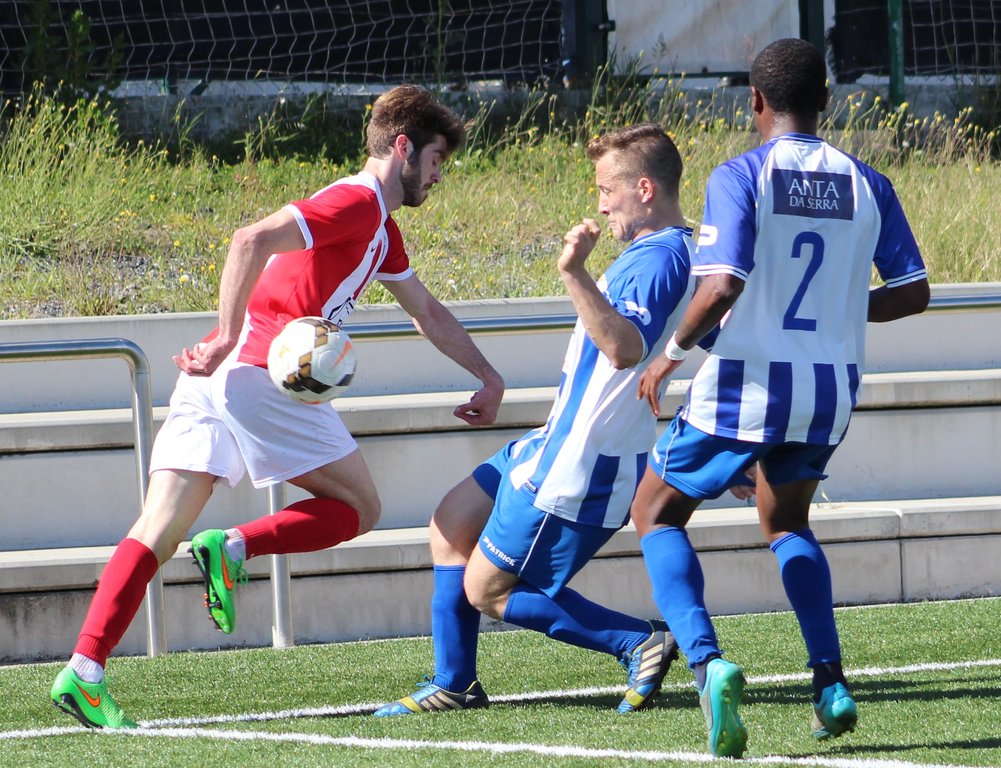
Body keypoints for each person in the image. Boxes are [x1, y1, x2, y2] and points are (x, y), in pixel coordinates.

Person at [49, 84, 505, 729]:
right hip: (260, 374)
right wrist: (226, 334)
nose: (438, 175)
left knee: (157, 528)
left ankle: (84, 670)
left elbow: (426, 311)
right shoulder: (357, 201)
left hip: (217, 379)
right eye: (435, 159)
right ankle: (234, 547)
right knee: (361, 509)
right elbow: (248, 240)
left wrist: (487, 375)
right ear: (402, 147)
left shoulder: (382, 230)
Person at [631, 38, 931, 758]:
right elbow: (913, 292)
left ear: (755, 102)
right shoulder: (868, 181)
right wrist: (836, 312)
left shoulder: (741, 174)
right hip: (828, 390)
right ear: (826, 100)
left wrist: (669, 356)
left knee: (654, 512)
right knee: (787, 522)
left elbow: (723, 284)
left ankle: (707, 666)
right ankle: (830, 684)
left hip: (751, 381)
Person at [375, 123, 715, 718]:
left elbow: (624, 348)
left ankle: (637, 642)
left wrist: (573, 272)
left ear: (644, 188)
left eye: (607, 189)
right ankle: (455, 682)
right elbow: (711, 343)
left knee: (488, 589)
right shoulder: (678, 252)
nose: (601, 204)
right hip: (557, 442)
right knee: (450, 523)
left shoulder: (660, 258)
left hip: (581, 460)